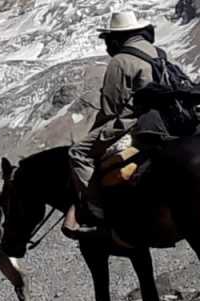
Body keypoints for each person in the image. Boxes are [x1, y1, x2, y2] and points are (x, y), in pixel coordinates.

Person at [64, 11, 163, 239]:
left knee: (77, 153)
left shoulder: (121, 61)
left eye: (108, 40)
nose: (107, 46)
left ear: (117, 39)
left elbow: (111, 110)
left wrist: (92, 136)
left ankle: (98, 214)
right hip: (163, 121)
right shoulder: (157, 52)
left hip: (134, 123)